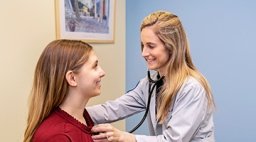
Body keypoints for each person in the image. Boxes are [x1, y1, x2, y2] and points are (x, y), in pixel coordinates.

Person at [87, 11, 215, 142]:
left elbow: (172, 140)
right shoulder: (151, 83)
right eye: (143, 45)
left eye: (151, 46)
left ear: (172, 47)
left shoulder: (192, 88)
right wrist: (71, 112)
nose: (144, 53)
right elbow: (115, 108)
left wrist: (125, 137)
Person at [23, 39, 105, 142]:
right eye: (95, 66)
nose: (102, 72)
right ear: (72, 78)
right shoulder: (57, 136)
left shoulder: (83, 117)